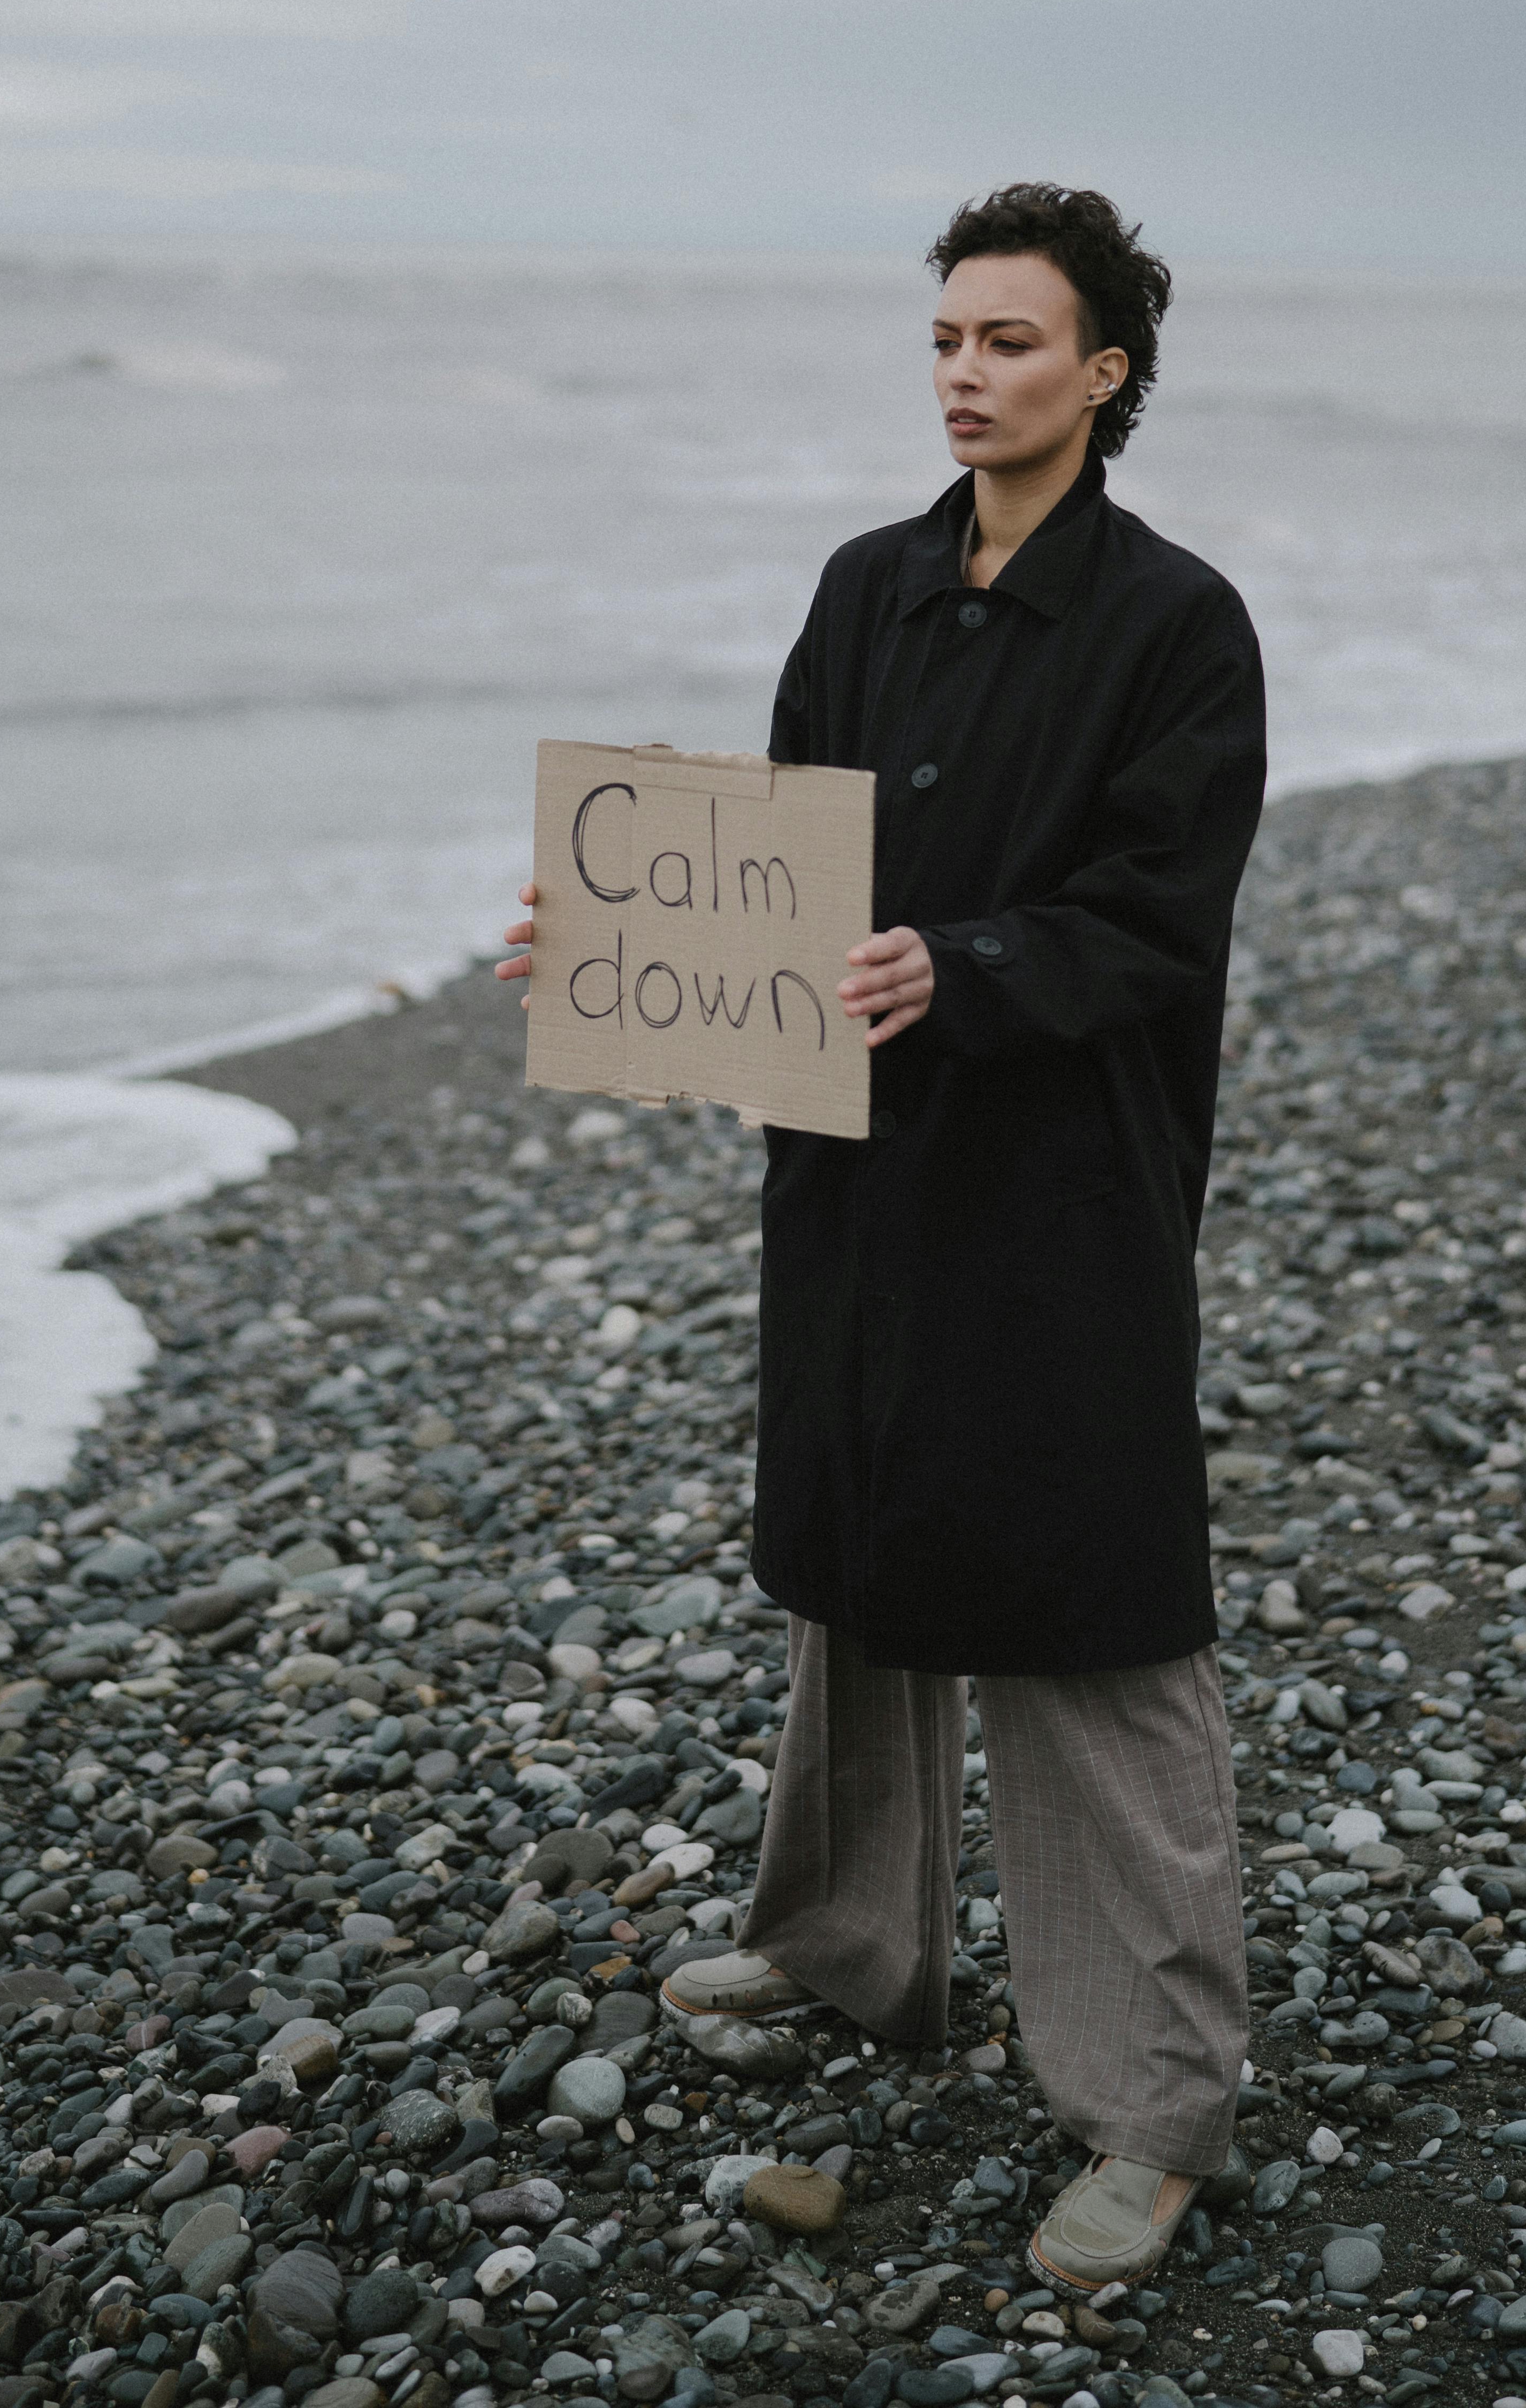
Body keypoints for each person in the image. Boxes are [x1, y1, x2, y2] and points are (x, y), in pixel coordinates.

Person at [498, 183, 1265, 2293]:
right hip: (857, 1163)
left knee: (1090, 1609)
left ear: (1105, 374)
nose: (964, 372)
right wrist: (608, 943)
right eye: (945, 337)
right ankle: (847, 1950)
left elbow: (1151, 918)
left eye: (1011, 342)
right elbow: (774, 865)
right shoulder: (866, 590)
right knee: (855, 1547)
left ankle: (1151, 2107)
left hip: (1058, 1179)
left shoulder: (1174, 623)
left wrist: (968, 966)